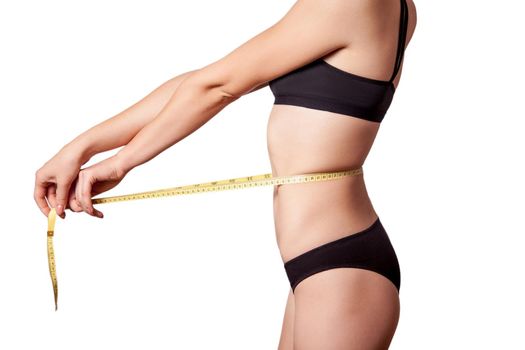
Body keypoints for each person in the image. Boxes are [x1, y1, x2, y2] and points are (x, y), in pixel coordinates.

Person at [34, 0, 417, 348]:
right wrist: (83, 147)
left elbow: (217, 87)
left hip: (341, 272)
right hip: (325, 265)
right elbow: (203, 80)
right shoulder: (387, 6)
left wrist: (121, 162)